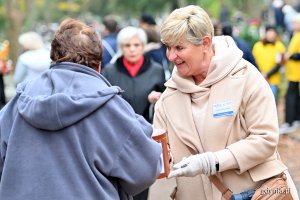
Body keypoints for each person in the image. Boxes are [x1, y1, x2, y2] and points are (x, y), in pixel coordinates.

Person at [0, 18, 162, 200]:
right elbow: (145, 170)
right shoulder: (110, 107)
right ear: (98, 65)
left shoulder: (20, 100)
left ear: (54, 56)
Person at [153, 5, 298, 200]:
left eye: (179, 47)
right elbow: (159, 154)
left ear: (205, 43)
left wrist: (211, 161)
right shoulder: (168, 97)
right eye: (168, 48)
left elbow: (266, 139)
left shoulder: (246, 78)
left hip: (253, 194)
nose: (171, 56)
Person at [102, 26, 165, 200]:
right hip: (117, 137)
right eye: (127, 45)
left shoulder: (157, 70)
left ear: (143, 46)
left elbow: (166, 104)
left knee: (142, 182)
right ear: (121, 47)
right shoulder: (109, 71)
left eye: (136, 45)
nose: (132, 49)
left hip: (146, 136)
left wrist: (157, 100)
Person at [252, 25, 286, 103]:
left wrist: (267, 74)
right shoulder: (257, 46)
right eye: (269, 33)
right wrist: (261, 73)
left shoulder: (280, 46)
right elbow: (254, 62)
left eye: (272, 34)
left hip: (273, 80)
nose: (271, 36)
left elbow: (280, 64)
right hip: (259, 79)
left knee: (272, 102)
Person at [280, 13, 300, 134]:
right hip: (292, 72)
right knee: (295, 96)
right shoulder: (295, 34)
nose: (293, 25)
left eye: (295, 23)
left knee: (290, 96)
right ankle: (296, 119)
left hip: (296, 72)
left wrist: (290, 56)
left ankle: (290, 122)